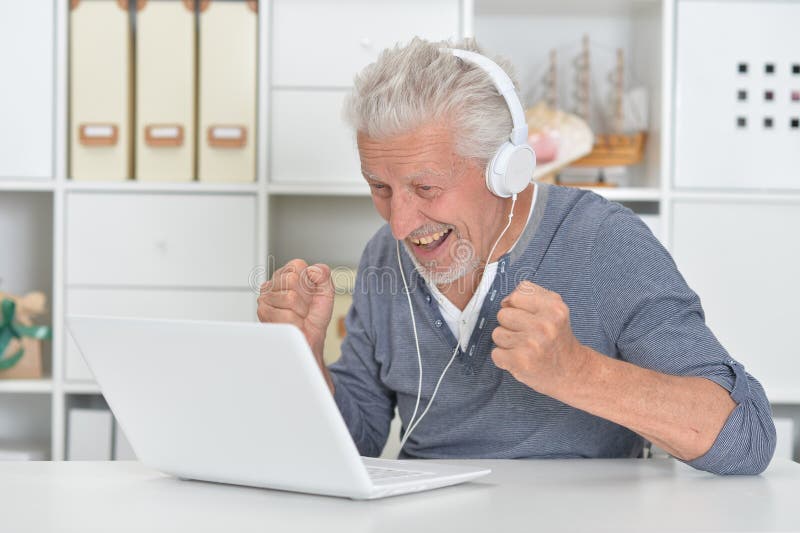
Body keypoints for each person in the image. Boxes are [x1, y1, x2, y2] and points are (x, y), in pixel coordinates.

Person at [257, 37, 776, 475]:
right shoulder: (382, 259)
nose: (400, 223)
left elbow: (748, 438)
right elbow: (357, 445)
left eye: (426, 186)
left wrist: (576, 371)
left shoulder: (605, 243)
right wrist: (303, 355)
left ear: (503, 168)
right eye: (380, 187)